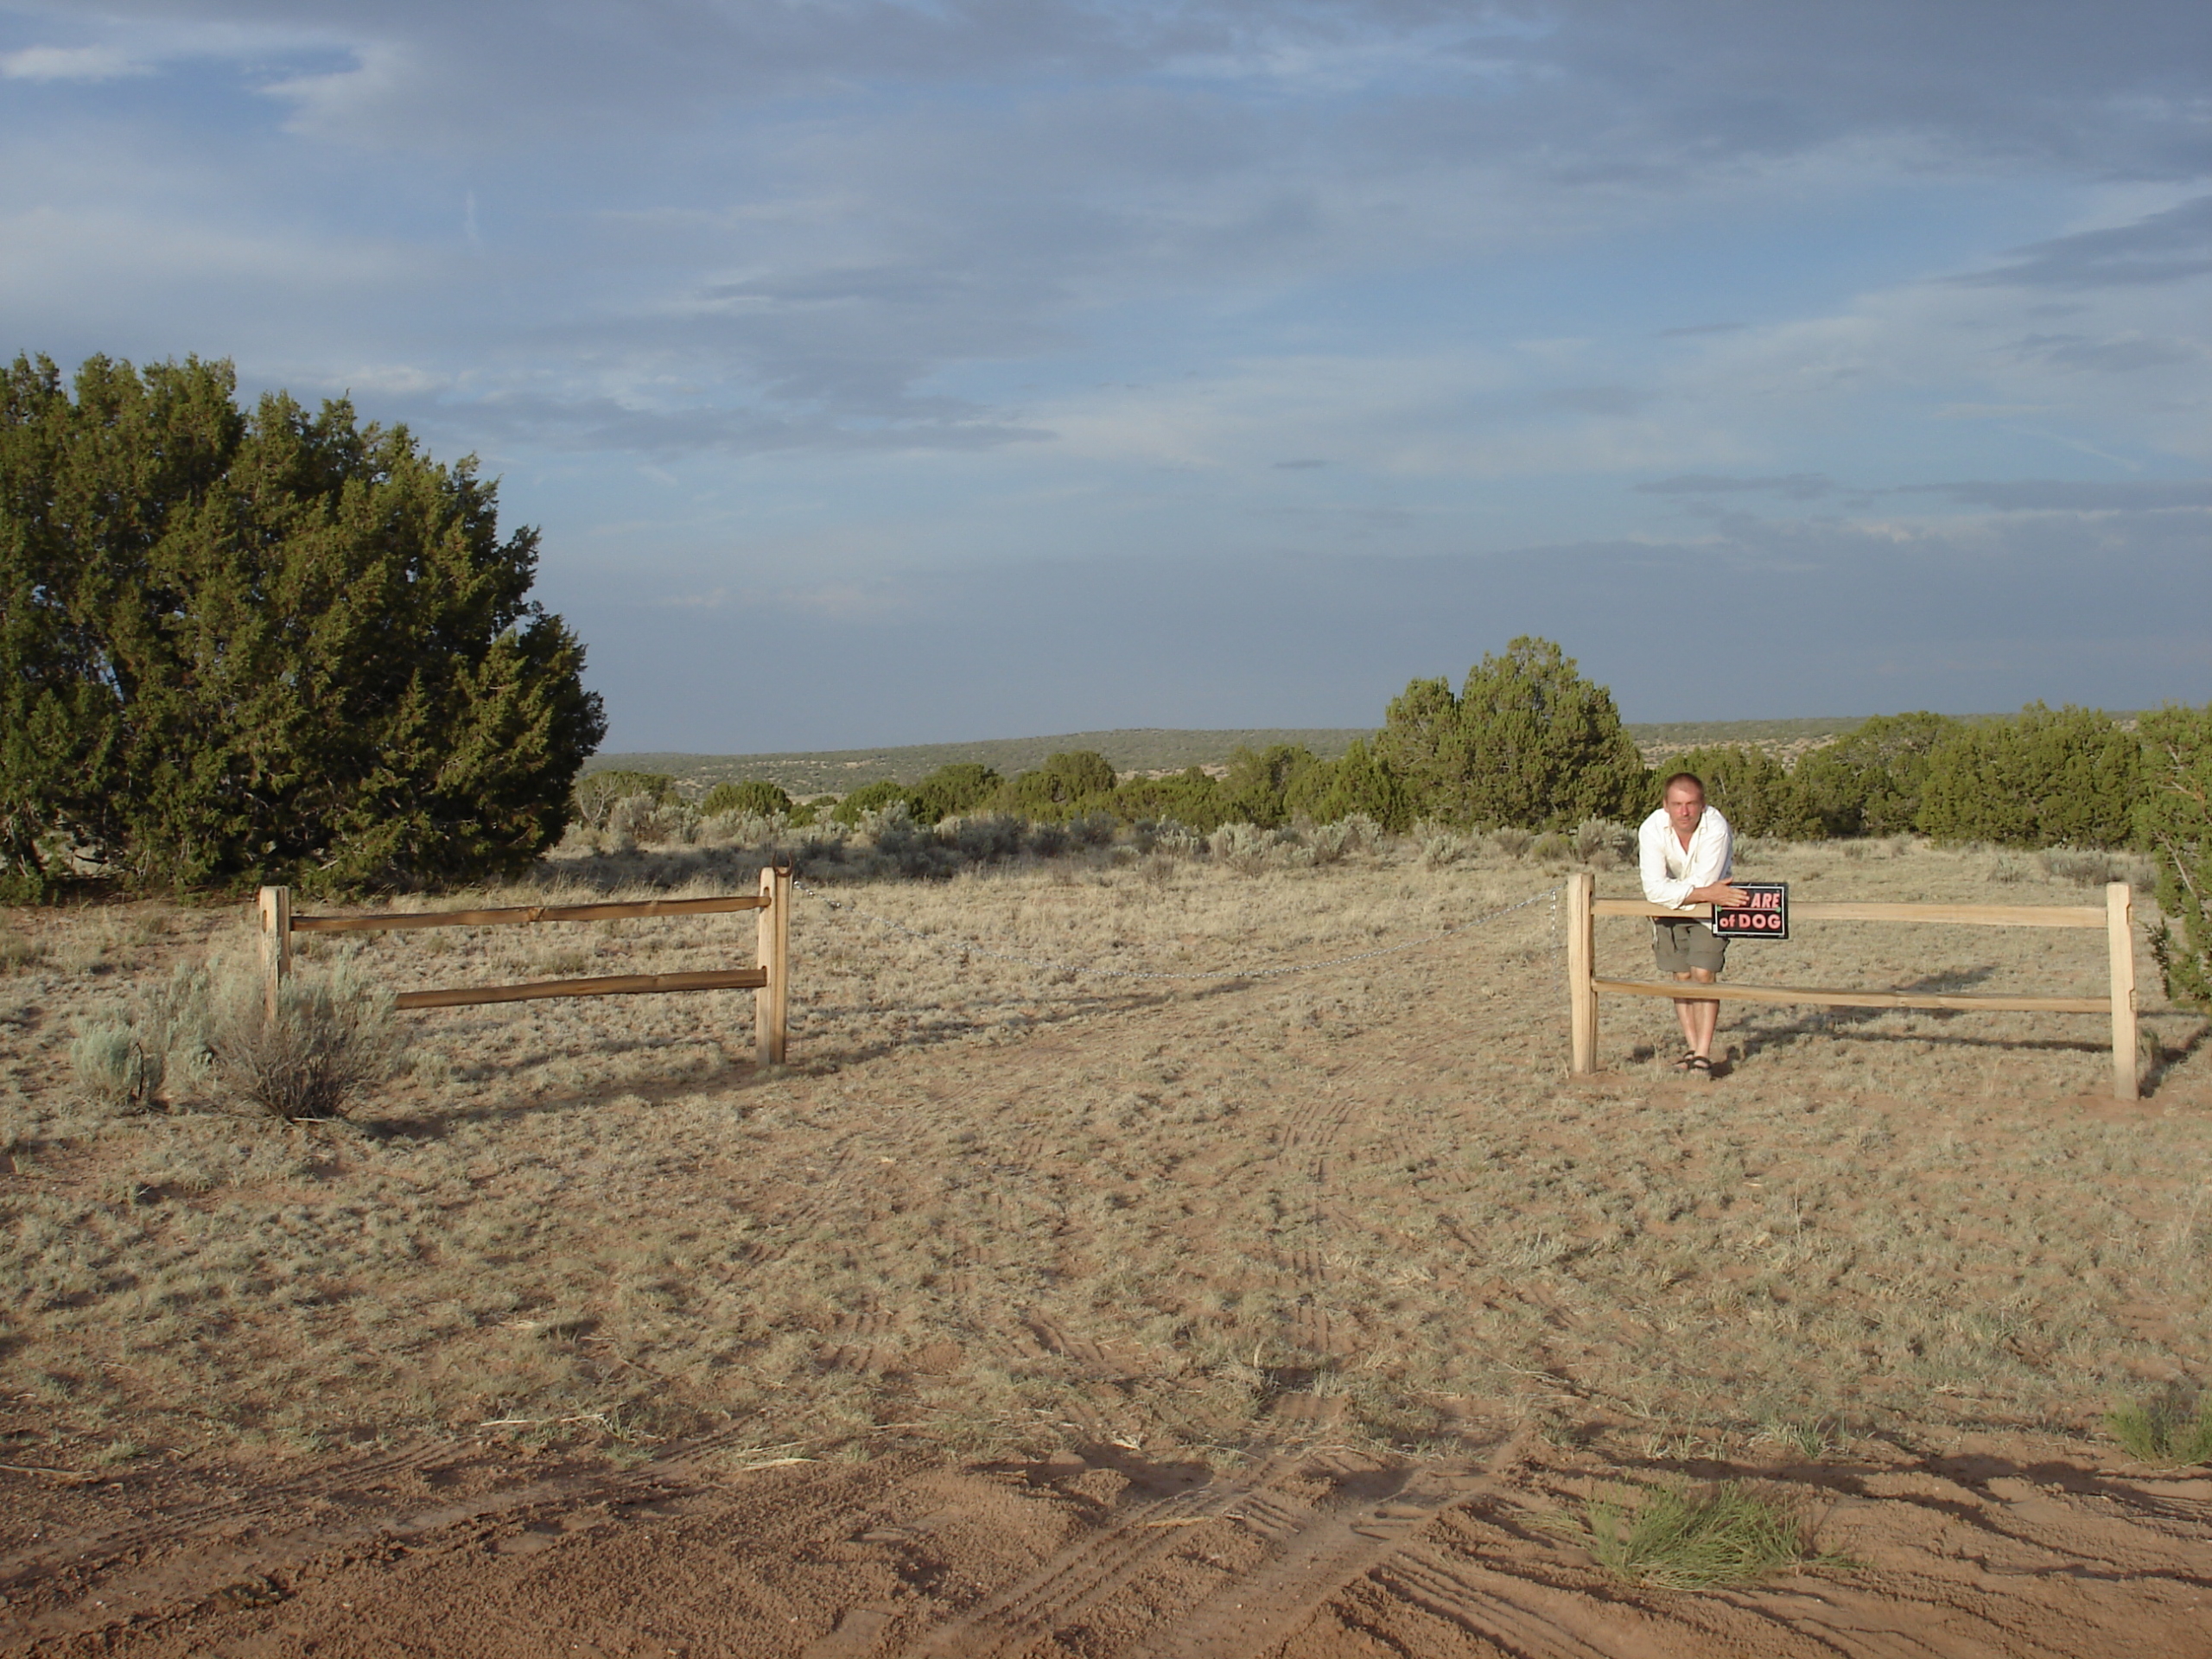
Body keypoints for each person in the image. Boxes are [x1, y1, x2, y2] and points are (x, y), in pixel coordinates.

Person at [1637, 772, 1750, 1076]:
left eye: (1691, 804)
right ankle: (1691, 1047)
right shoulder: (1651, 828)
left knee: (1704, 973)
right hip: (1675, 909)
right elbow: (1654, 889)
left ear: (1703, 804)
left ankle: (1703, 1052)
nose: (1684, 812)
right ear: (1666, 805)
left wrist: (1676, 893)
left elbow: (1706, 880)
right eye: (1677, 804)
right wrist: (1700, 893)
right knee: (1681, 975)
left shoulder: (1716, 827)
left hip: (1710, 911)